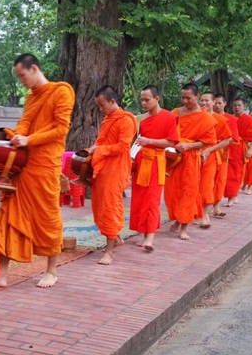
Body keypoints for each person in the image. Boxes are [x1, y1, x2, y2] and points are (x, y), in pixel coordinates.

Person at [0, 53, 75, 288]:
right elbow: (24, 122)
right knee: (7, 215)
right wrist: (13, 135)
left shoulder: (62, 91)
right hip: (23, 165)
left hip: (45, 164)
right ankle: (1, 273)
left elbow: (59, 130)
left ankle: (52, 270)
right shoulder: (31, 97)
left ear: (34, 68)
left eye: (22, 75)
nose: (21, 80)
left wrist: (29, 140)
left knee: (48, 217)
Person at [88, 85, 137, 265]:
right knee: (100, 205)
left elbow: (123, 147)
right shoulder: (108, 119)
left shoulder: (126, 120)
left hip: (116, 169)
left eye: (102, 105)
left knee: (110, 206)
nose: (101, 110)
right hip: (102, 167)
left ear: (112, 101)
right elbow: (101, 142)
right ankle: (114, 236)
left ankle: (109, 252)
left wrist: (100, 149)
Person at [164, 83, 216, 240]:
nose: (185, 101)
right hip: (173, 158)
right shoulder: (176, 113)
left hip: (191, 159)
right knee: (172, 192)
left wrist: (189, 145)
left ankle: (184, 226)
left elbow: (209, 141)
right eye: (183, 97)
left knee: (189, 192)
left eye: (189, 98)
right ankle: (178, 219)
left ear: (197, 97)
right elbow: (167, 131)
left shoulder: (205, 118)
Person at [129, 85, 178, 251]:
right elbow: (138, 142)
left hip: (157, 161)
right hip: (141, 160)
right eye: (142, 100)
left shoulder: (169, 117)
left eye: (147, 100)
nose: (144, 103)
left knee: (152, 199)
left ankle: (150, 237)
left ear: (157, 99)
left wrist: (149, 141)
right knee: (140, 199)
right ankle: (144, 233)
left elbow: (171, 142)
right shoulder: (141, 119)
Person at [198, 92, 232, 227]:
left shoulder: (220, 119)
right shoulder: (195, 116)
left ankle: (205, 214)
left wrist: (210, 150)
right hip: (193, 154)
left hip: (210, 155)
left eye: (207, 101)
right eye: (202, 100)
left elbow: (227, 140)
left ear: (213, 102)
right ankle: (192, 213)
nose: (204, 103)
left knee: (207, 185)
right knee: (193, 184)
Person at [214, 94, 241, 210]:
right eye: (215, 102)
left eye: (220, 103)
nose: (217, 105)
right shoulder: (208, 117)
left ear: (225, 103)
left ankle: (218, 205)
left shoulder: (231, 119)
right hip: (210, 152)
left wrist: (220, 142)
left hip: (225, 153)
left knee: (222, 179)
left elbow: (234, 137)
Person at [233, 99, 252, 196]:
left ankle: (241, 189)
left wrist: (250, 149)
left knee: (242, 170)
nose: (237, 107)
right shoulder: (231, 119)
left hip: (243, 148)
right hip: (231, 148)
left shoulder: (249, 120)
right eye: (235, 105)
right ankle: (234, 191)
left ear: (244, 106)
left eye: (239, 105)